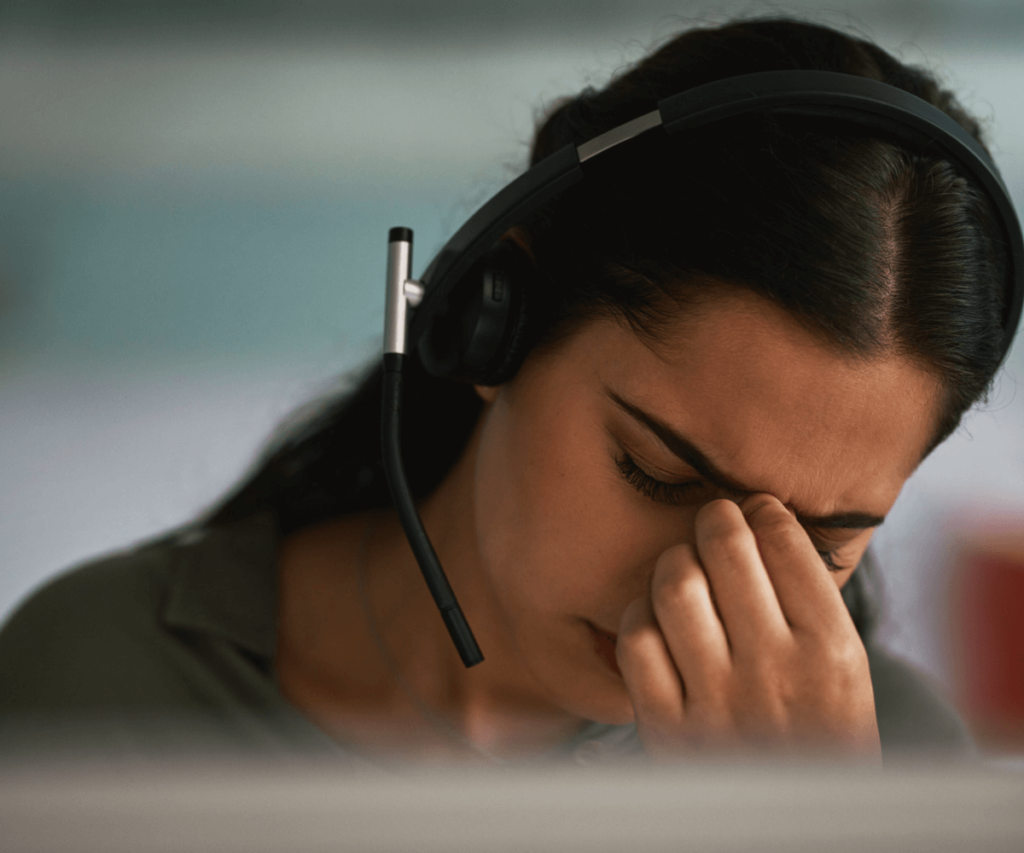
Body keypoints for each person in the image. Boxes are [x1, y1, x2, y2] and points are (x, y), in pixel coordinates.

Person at [0, 17, 1014, 764]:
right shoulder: (94, 685)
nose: (694, 593)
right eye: (654, 472)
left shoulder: (891, 768)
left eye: (824, 543)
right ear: (494, 321)